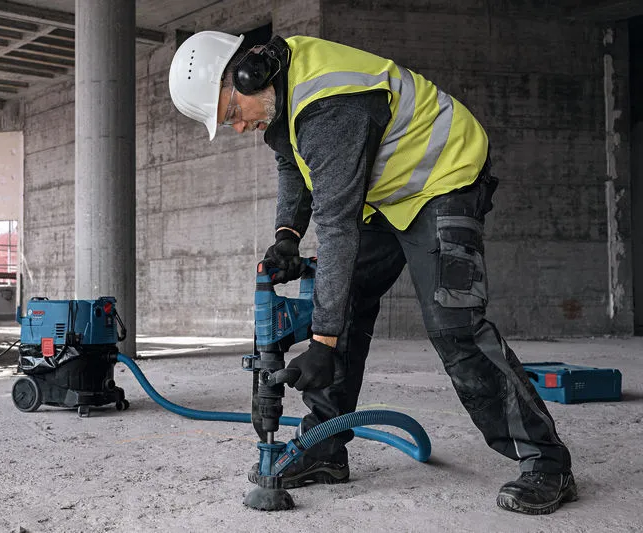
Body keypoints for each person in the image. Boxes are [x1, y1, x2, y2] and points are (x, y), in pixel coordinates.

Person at [168, 31, 577, 515]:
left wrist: (321, 343)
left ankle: (547, 463)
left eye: (232, 114)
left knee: (454, 326)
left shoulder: (329, 105)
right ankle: (323, 448)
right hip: (387, 192)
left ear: (246, 76)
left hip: (443, 174)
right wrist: (286, 234)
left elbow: (338, 226)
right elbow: (291, 163)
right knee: (342, 300)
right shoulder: (280, 86)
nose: (237, 128)